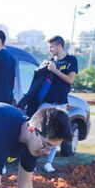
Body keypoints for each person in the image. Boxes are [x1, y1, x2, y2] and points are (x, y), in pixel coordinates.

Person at [36, 35, 77, 173]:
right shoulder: (49, 61)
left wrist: (55, 70)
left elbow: (70, 80)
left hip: (60, 102)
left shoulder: (71, 60)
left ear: (59, 45)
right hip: (46, 101)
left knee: (57, 132)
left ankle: (48, 162)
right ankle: (32, 160)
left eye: (52, 47)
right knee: (36, 129)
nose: (50, 50)